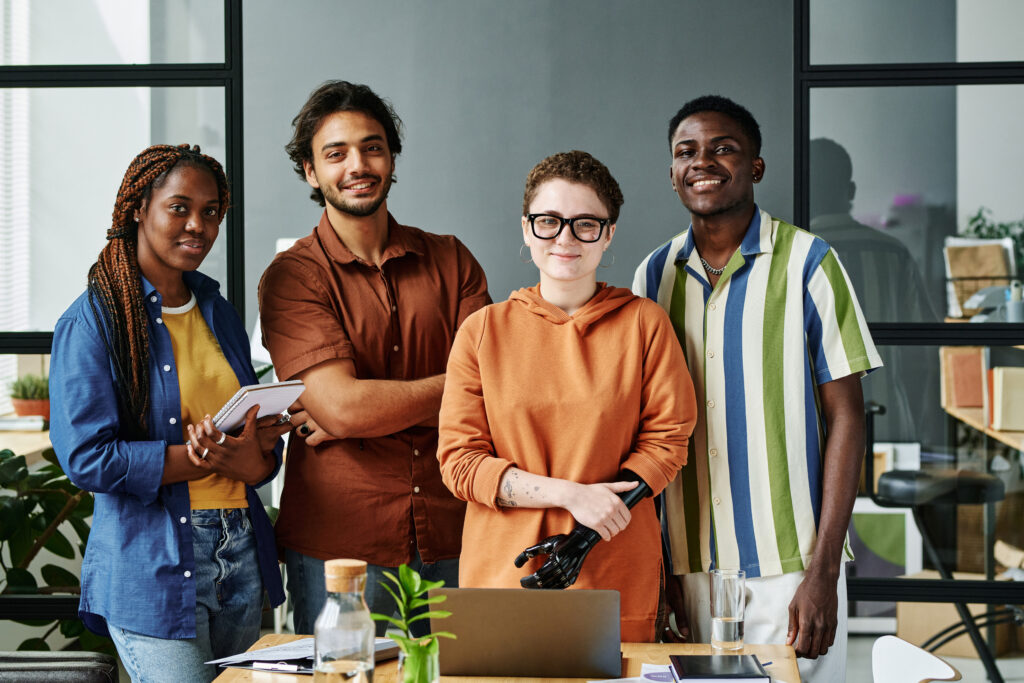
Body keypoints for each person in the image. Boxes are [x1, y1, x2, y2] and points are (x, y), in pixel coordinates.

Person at [633, 96, 882, 682]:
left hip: (789, 569)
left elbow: (848, 417)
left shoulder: (810, 263)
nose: (703, 162)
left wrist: (823, 571)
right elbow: (645, 427)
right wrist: (660, 568)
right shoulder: (653, 276)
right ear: (672, 175)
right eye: (686, 152)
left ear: (757, 167)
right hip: (689, 566)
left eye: (724, 148)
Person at [258, 81, 490, 636]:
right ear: (312, 172)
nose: (357, 165)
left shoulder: (451, 260)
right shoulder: (293, 277)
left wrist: (356, 407)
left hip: (456, 528)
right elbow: (342, 409)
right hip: (341, 546)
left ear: (391, 157)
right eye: (335, 153)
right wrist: (453, 388)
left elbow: (495, 392)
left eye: (372, 147)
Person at [49, 144, 289, 682]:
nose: (197, 225)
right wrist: (200, 459)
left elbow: (251, 465)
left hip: (240, 552)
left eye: (210, 213)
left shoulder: (216, 309)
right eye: (179, 207)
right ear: (138, 208)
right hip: (152, 566)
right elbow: (88, 459)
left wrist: (256, 453)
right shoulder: (92, 321)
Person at [437, 150, 696, 642]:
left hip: (614, 572)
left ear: (609, 233)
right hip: (502, 575)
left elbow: (668, 441)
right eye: (549, 221)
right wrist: (570, 496)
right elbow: (459, 463)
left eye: (585, 224)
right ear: (526, 228)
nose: (565, 239)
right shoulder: (482, 332)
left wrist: (586, 536)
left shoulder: (645, 324)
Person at [809, 137, 940, 445]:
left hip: (816, 428)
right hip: (891, 420)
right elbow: (925, 348)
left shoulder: (791, 258)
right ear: (850, 191)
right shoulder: (894, 253)